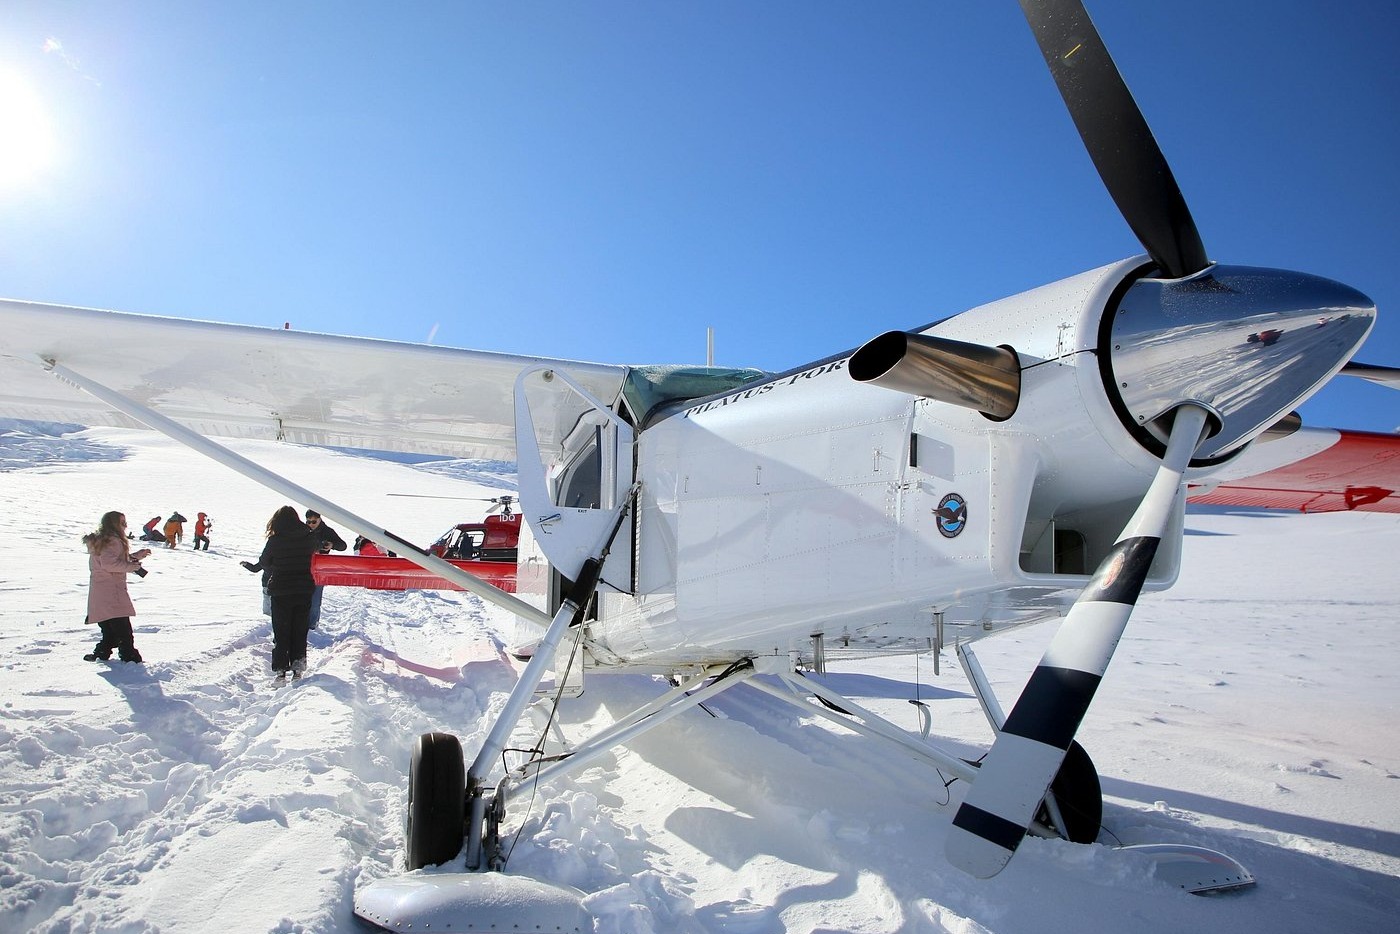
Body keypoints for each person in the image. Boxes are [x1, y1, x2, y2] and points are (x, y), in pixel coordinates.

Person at [241, 505, 316, 684]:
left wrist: (277, 568)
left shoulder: (275, 540)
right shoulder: (309, 538)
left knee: (281, 631)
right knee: (299, 629)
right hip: (304, 590)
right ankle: (297, 670)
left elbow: (265, 562)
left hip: (281, 591)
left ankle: (280, 673)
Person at [82, 511, 152, 662]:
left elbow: (112, 559)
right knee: (122, 628)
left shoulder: (104, 540)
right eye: (122, 523)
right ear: (114, 524)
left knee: (109, 626)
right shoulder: (112, 540)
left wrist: (136, 556)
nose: (125, 526)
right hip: (111, 589)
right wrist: (132, 567)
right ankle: (129, 657)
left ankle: (102, 653)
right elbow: (109, 564)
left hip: (102, 589)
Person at [304, 509, 345, 629]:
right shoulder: (303, 530)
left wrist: (332, 545)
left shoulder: (328, 532)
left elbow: (343, 546)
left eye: (314, 521)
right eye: (308, 522)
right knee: (302, 599)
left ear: (320, 519)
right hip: (304, 567)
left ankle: (312, 625)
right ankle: (302, 623)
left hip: (320, 570)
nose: (311, 524)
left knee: (315, 600)